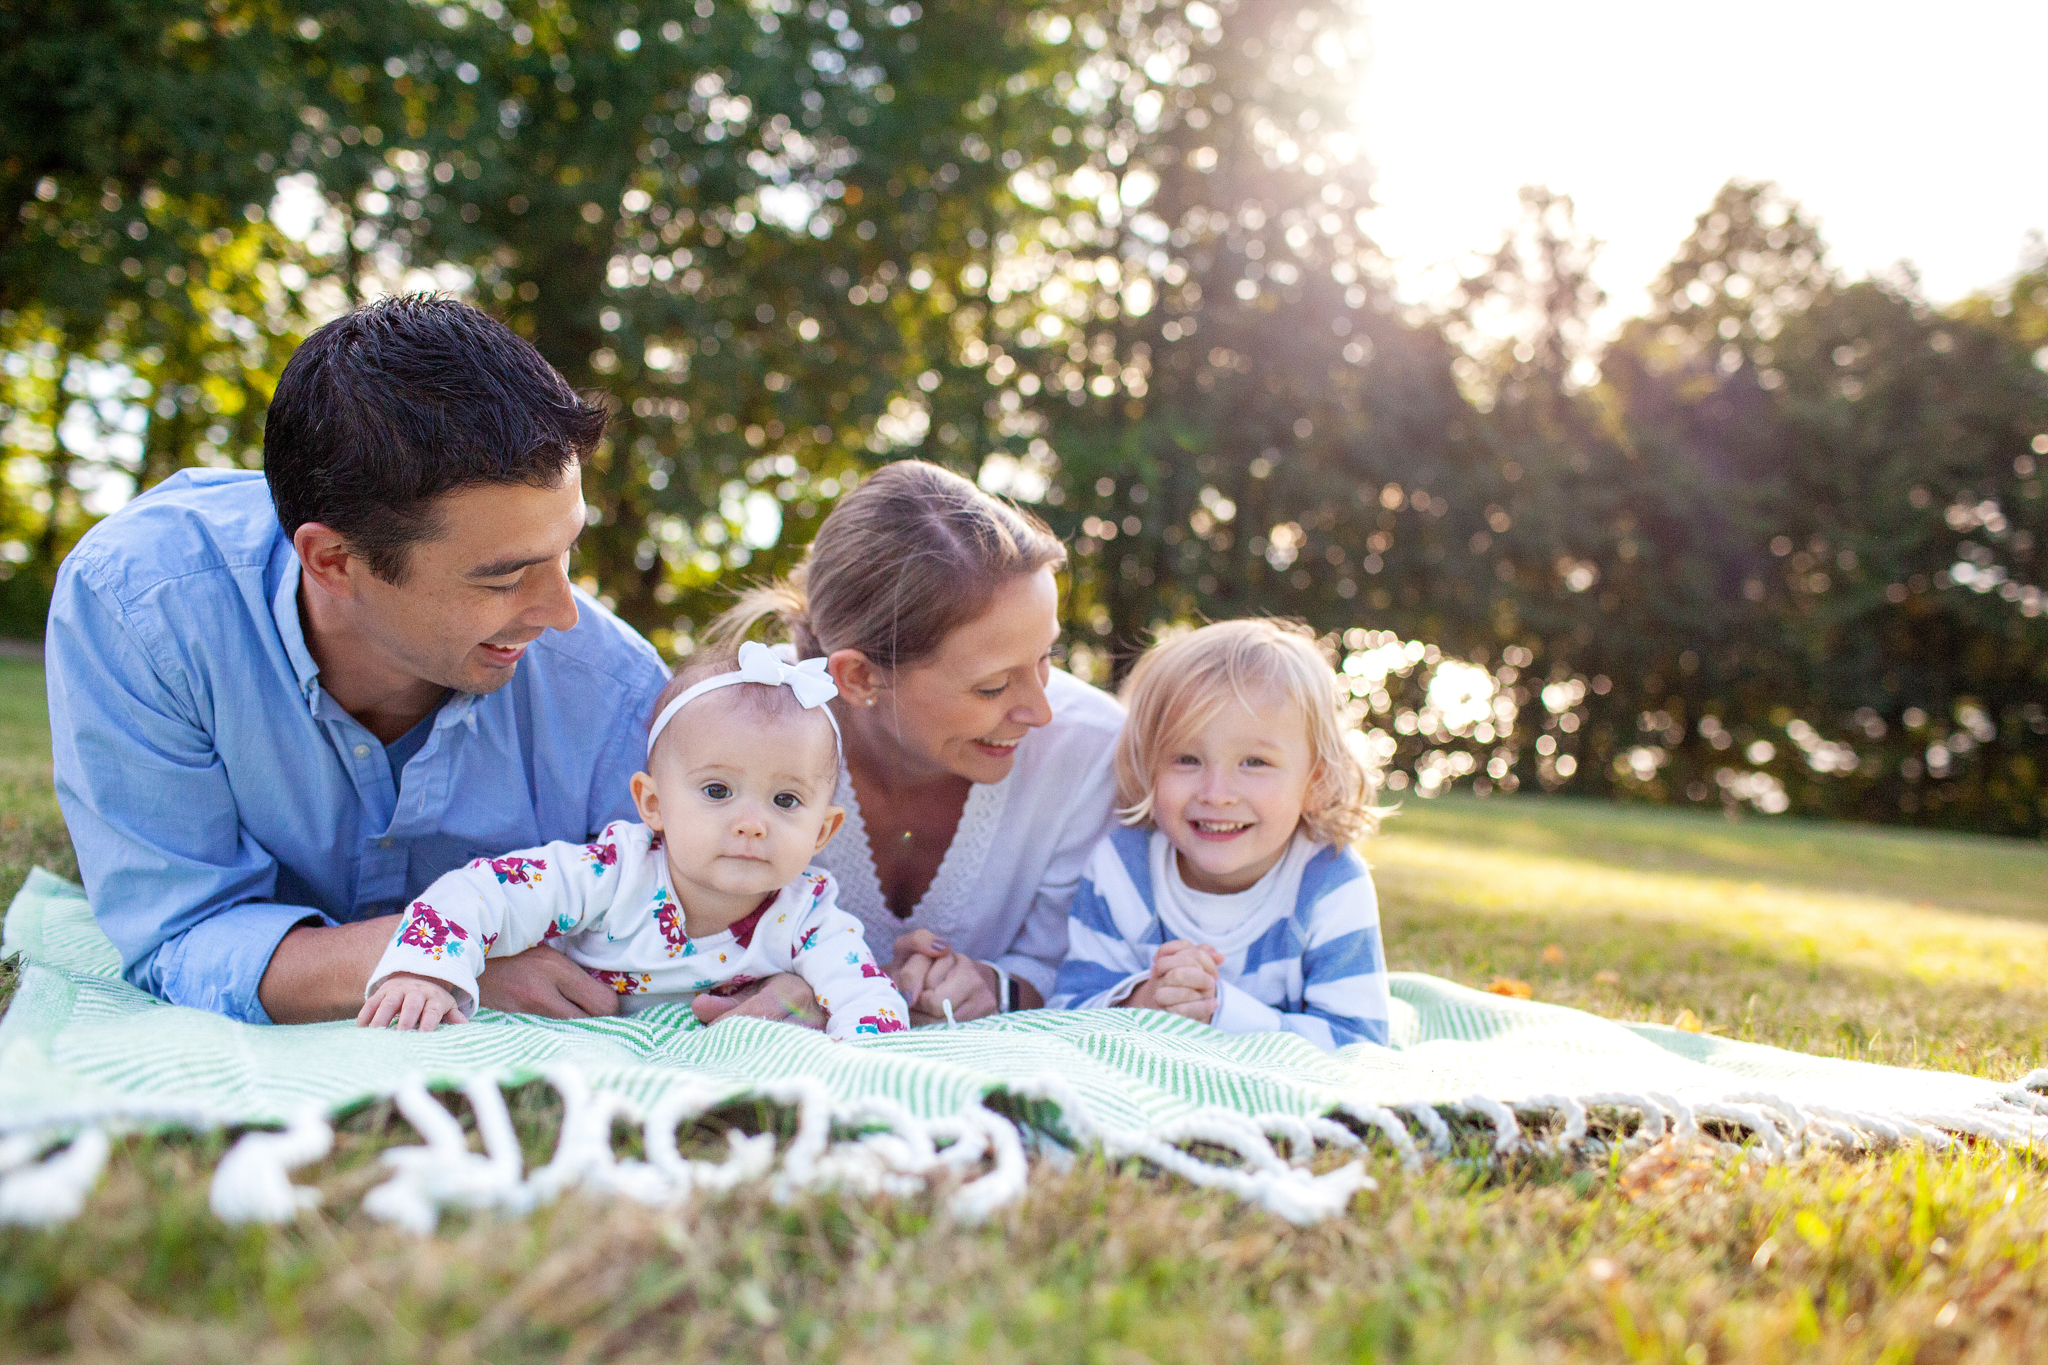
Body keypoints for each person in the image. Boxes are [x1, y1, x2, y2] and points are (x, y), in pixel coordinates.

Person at [44, 295, 673, 1025]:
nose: (562, 612)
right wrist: (447, 949)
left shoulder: (617, 692)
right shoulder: (140, 609)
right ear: (333, 561)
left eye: (567, 551)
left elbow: (710, 916)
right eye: (503, 576)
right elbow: (180, 931)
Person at [704, 460, 1124, 1027]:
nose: (1040, 711)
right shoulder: (728, 727)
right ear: (858, 678)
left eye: (1047, 656)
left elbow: (1081, 963)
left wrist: (998, 986)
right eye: (993, 685)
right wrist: (770, 980)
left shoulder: (1089, 749)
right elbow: (659, 915)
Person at [358, 644, 911, 1040]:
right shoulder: (612, 872)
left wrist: (866, 1053)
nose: (752, 823)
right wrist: (426, 970)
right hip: (574, 1036)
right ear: (653, 804)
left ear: (822, 832)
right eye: (717, 790)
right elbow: (484, 892)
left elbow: (864, 993)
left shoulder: (808, 914)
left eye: (785, 801)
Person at [1049, 619, 1392, 1050]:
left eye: (1254, 762)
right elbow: (1064, 1014)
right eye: (1187, 759)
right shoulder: (1124, 868)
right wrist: (1142, 1001)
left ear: (1316, 781)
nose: (1216, 794)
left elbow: (1360, 1045)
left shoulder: (1329, 882)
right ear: (1147, 764)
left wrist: (1222, 1012)